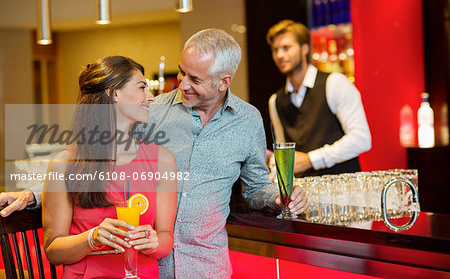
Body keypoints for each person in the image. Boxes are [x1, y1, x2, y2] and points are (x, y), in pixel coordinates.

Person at [135, 28, 309, 278]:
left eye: (195, 79)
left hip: (208, 267)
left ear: (223, 82)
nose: (182, 83)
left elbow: (256, 186)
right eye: (182, 71)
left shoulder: (248, 120)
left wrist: (280, 197)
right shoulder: (152, 112)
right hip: (149, 268)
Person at [42, 56, 177, 278]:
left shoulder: (162, 160)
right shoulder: (64, 164)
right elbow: (54, 251)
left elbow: (165, 238)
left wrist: (153, 242)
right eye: (142, 87)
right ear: (114, 94)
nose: (151, 98)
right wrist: (92, 238)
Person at [266, 20, 371, 177]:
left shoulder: (334, 83)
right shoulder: (275, 100)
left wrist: (311, 159)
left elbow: (361, 139)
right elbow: (283, 154)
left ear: (304, 48)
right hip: (301, 197)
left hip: (343, 193)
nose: (280, 55)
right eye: (275, 50)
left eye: (286, 48)